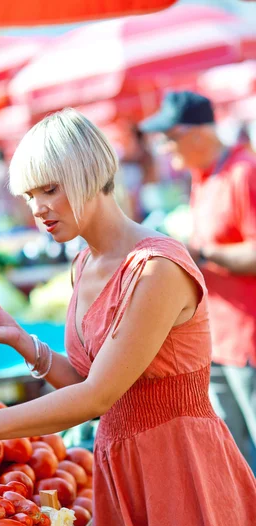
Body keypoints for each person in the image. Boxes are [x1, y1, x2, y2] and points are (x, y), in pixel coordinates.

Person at [0, 109, 256, 526]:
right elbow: (86, 378)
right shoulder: (85, 263)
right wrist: (17, 339)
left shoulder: (157, 267)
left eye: (50, 188)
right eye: (30, 195)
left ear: (92, 175)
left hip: (181, 470)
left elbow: (98, 395)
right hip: (122, 467)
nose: (38, 208)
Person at [140, 91, 256, 469]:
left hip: (248, 343)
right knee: (238, 461)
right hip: (217, 344)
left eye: (169, 137)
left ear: (196, 134)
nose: (163, 147)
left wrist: (201, 253)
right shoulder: (202, 177)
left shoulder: (244, 172)